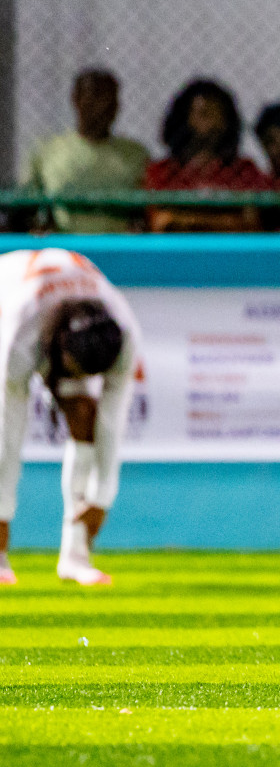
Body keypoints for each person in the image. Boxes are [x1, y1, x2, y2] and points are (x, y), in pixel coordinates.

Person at [0, 249, 140, 587]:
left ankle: (75, 557)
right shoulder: (22, 332)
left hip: (54, 304)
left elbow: (112, 420)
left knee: (85, 419)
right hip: (12, 298)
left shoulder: (124, 335)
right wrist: (2, 513)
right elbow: (8, 428)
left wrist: (101, 498)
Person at [23, 70, 150, 233]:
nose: (103, 104)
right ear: (76, 100)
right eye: (95, 96)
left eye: (110, 97)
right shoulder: (48, 151)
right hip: (64, 251)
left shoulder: (135, 154)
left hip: (119, 250)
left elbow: (144, 212)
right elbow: (27, 209)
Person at [144, 79, 268, 232]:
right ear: (184, 118)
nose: (214, 122)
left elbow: (250, 223)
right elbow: (159, 222)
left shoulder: (244, 171)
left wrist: (185, 220)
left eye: (221, 115)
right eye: (205, 114)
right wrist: (223, 220)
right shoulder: (162, 172)